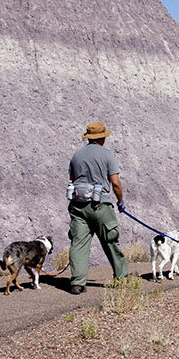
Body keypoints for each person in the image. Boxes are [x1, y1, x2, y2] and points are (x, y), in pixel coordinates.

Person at [66, 120, 128, 294]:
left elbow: (72, 178)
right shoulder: (107, 155)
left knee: (78, 243)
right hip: (101, 205)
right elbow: (115, 183)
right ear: (101, 138)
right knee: (110, 240)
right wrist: (120, 201)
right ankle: (122, 277)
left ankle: (77, 282)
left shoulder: (76, 155)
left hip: (78, 205)